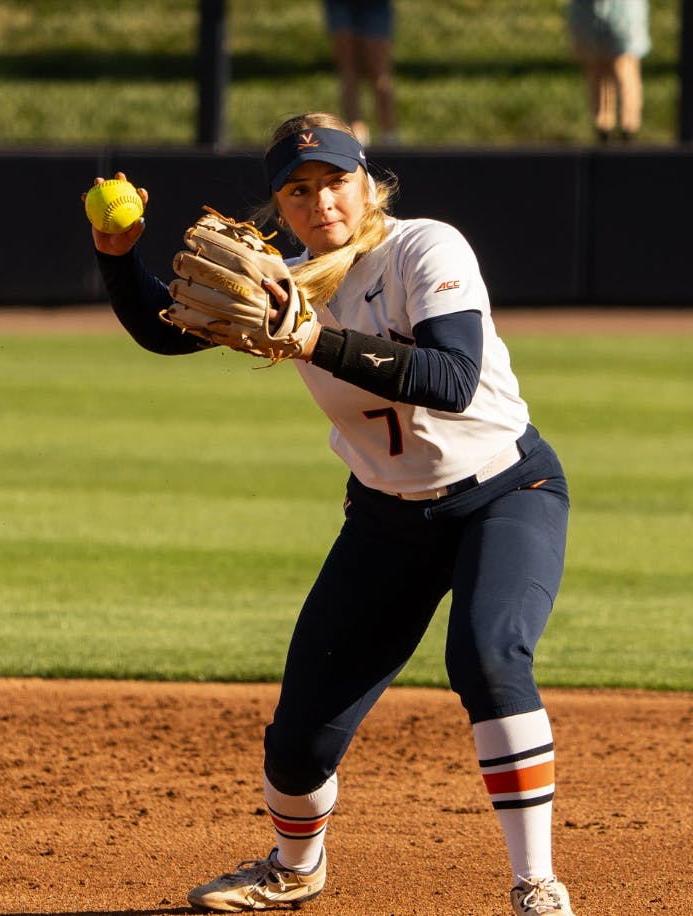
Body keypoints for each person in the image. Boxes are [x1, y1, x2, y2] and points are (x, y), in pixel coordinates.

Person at [86, 111, 575, 916]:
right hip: (386, 520)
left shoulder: (426, 248)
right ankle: (292, 869)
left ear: (367, 182)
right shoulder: (286, 278)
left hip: (503, 493)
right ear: (279, 206)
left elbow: (451, 379)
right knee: (299, 740)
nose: (322, 203)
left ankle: (536, 884)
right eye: (298, 190)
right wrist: (119, 258)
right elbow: (167, 329)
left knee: (488, 658)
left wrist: (310, 340)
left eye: (336, 182)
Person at [568, 0, 650, 143]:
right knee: (597, 67)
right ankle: (603, 129)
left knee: (623, 66)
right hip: (588, 10)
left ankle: (628, 129)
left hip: (622, 9)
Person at [323, 0, 398, 146]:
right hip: (340, 4)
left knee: (379, 72)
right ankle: (355, 137)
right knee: (348, 72)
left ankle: (389, 138)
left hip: (375, 5)